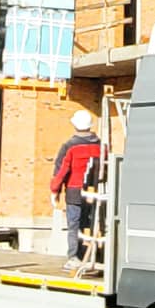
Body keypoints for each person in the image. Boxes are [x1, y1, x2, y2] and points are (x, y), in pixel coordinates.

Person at [50, 108, 102, 259]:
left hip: (75, 193)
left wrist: (55, 191)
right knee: (91, 224)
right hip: (95, 193)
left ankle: (74, 257)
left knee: (74, 225)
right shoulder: (101, 146)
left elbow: (61, 171)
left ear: (75, 125)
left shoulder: (69, 146)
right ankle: (92, 255)